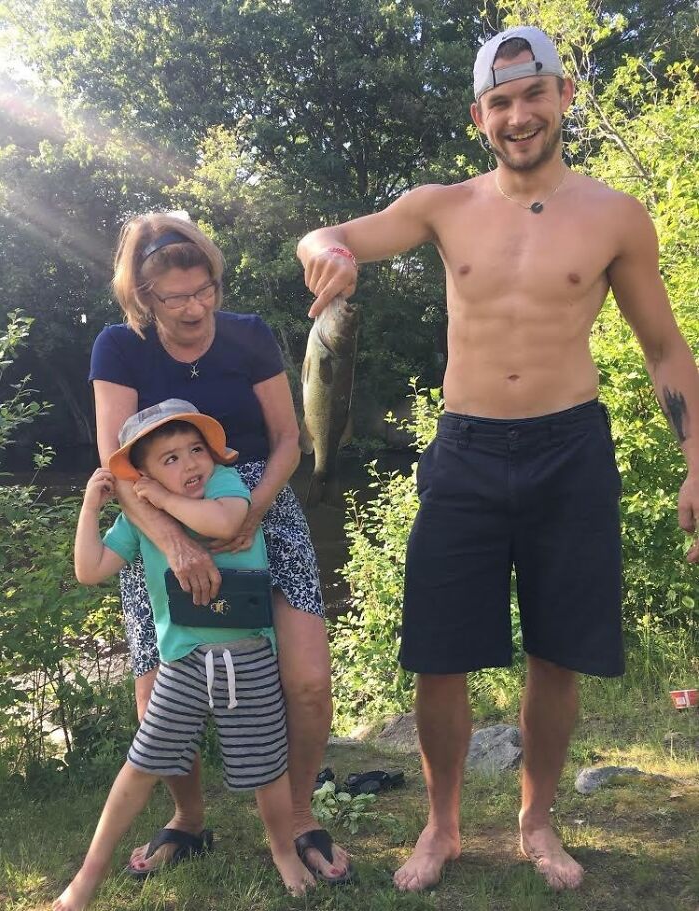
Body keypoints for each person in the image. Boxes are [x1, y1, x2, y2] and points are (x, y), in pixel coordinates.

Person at [297, 24, 699, 893]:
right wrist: (325, 253)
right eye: (500, 102)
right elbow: (330, 234)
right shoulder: (441, 205)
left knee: (556, 652)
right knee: (438, 653)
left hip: (570, 447)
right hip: (466, 448)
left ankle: (536, 820)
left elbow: (664, 348)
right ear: (480, 115)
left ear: (563, 96)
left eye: (533, 95)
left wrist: (696, 456)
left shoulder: (616, 215)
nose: (519, 116)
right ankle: (440, 826)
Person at [89, 213, 351, 883]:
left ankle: (296, 817)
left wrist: (253, 514)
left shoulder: (250, 335)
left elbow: (289, 438)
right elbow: (117, 464)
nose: (196, 307)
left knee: (310, 680)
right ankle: (188, 818)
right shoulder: (119, 347)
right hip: (157, 517)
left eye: (205, 289)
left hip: (260, 500)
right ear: (145, 296)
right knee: (158, 703)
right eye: (176, 297)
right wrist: (178, 541)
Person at [54, 400, 316, 910]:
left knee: (267, 768)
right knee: (142, 762)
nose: (189, 464)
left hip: (250, 656)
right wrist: (92, 507)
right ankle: (88, 877)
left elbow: (223, 523)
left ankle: (283, 851)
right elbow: (89, 569)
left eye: (196, 450)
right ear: (143, 474)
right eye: (169, 459)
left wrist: (160, 500)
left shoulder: (226, 488)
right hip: (183, 664)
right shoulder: (139, 524)